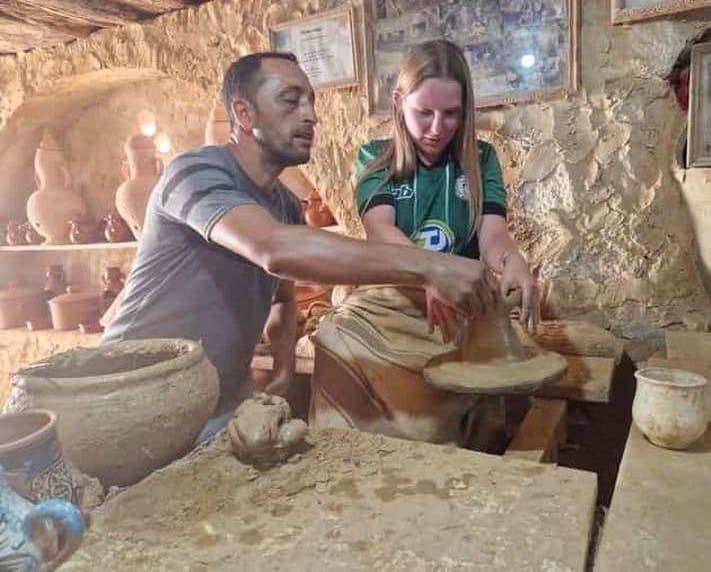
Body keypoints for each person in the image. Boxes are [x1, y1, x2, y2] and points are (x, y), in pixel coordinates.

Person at [101, 51, 500, 442]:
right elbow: (273, 249)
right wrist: (432, 267)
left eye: (311, 101)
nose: (310, 115)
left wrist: (283, 364)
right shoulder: (194, 171)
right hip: (129, 395)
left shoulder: (286, 206)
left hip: (219, 405)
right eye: (291, 101)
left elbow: (281, 299)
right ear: (244, 114)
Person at [310, 39, 539, 446]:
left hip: (457, 304)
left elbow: (493, 235)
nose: (437, 128)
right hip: (394, 297)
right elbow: (380, 231)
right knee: (336, 334)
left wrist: (512, 260)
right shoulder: (375, 158)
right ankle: (342, 458)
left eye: (451, 114)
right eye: (424, 113)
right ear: (399, 103)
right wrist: (427, 273)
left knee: (462, 376)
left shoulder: (480, 158)